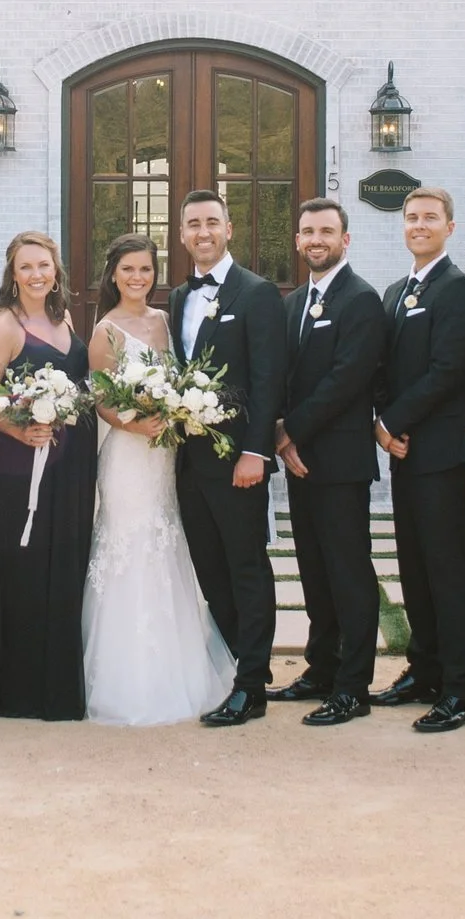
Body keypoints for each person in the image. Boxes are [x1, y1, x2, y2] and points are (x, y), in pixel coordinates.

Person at [81, 234, 237, 725]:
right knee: (128, 547)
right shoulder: (105, 331)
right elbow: (100, 399)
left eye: (145, 270)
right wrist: (135, 422)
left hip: (165, 458)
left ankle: (178, 669)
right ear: (113, 275)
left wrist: (174, 414)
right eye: (128, 270)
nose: (137, 278)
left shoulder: (165, 322)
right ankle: (122, 679)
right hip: (128, 457)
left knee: (168, 545)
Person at [168, 189, 291, 728]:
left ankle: (252, 685)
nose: (203, 232)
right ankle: (241, 664)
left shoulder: (258, 293)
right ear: (182, 234)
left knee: (246, 567)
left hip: (238, 460)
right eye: (193, 223)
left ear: (229, 229)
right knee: (209, 569)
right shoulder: (176, 297)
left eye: (211, 222)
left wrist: (256, 452)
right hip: (187, 463)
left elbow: (269, 380)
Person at [372, 185, 465, 733]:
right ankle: (425, 669)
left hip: (439, 451)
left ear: (451, 226)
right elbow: (387, 369)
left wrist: (393, 422)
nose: (418, 225)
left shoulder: (458, 290)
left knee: (447, 568)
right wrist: (385, 423)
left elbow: (448, 372)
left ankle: (461, 689)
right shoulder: (397, 290)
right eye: (411, 217)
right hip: (403, 451)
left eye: (429, 217)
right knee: (414, 566)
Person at [268, 199, 388, 726]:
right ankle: (321, 667)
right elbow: (284, 379)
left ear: (346, 239)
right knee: (314, 571)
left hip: (339, 461)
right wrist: (282, 436)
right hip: (299, 461)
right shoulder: (293, 303)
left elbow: (347, 380)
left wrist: (290, 431)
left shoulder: (361, 300)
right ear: (297, 240)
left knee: (348, 571)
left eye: (326, 231)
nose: (316, 239)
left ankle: (353, 686)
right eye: (307, 231)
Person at [0, 230, 96, 721]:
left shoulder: (63, 317)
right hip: (22, 470)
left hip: (70, 468)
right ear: (13, 274)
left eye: (44, 265)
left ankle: (57, 686)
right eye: (26, 267)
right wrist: (18, 433)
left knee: (61, 570)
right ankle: (20, 690)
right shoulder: (5, 326)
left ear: (56, 270)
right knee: (25, 571)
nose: (36, 274)